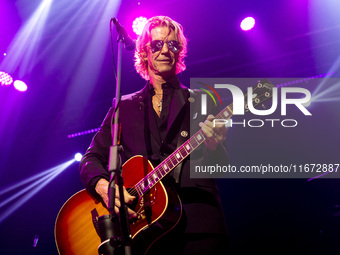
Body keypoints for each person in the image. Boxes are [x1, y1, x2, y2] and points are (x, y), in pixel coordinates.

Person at [79, 16, 229, 254]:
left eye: (173, 45)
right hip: (143, 230)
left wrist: (213, 145)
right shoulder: (123, 107)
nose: (166, 50)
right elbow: (91, 159)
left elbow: (221, 167)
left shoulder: (202, 100)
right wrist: (103, 186)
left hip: (198, 226)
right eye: (157, 44)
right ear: (144, 52)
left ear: (180, 52)